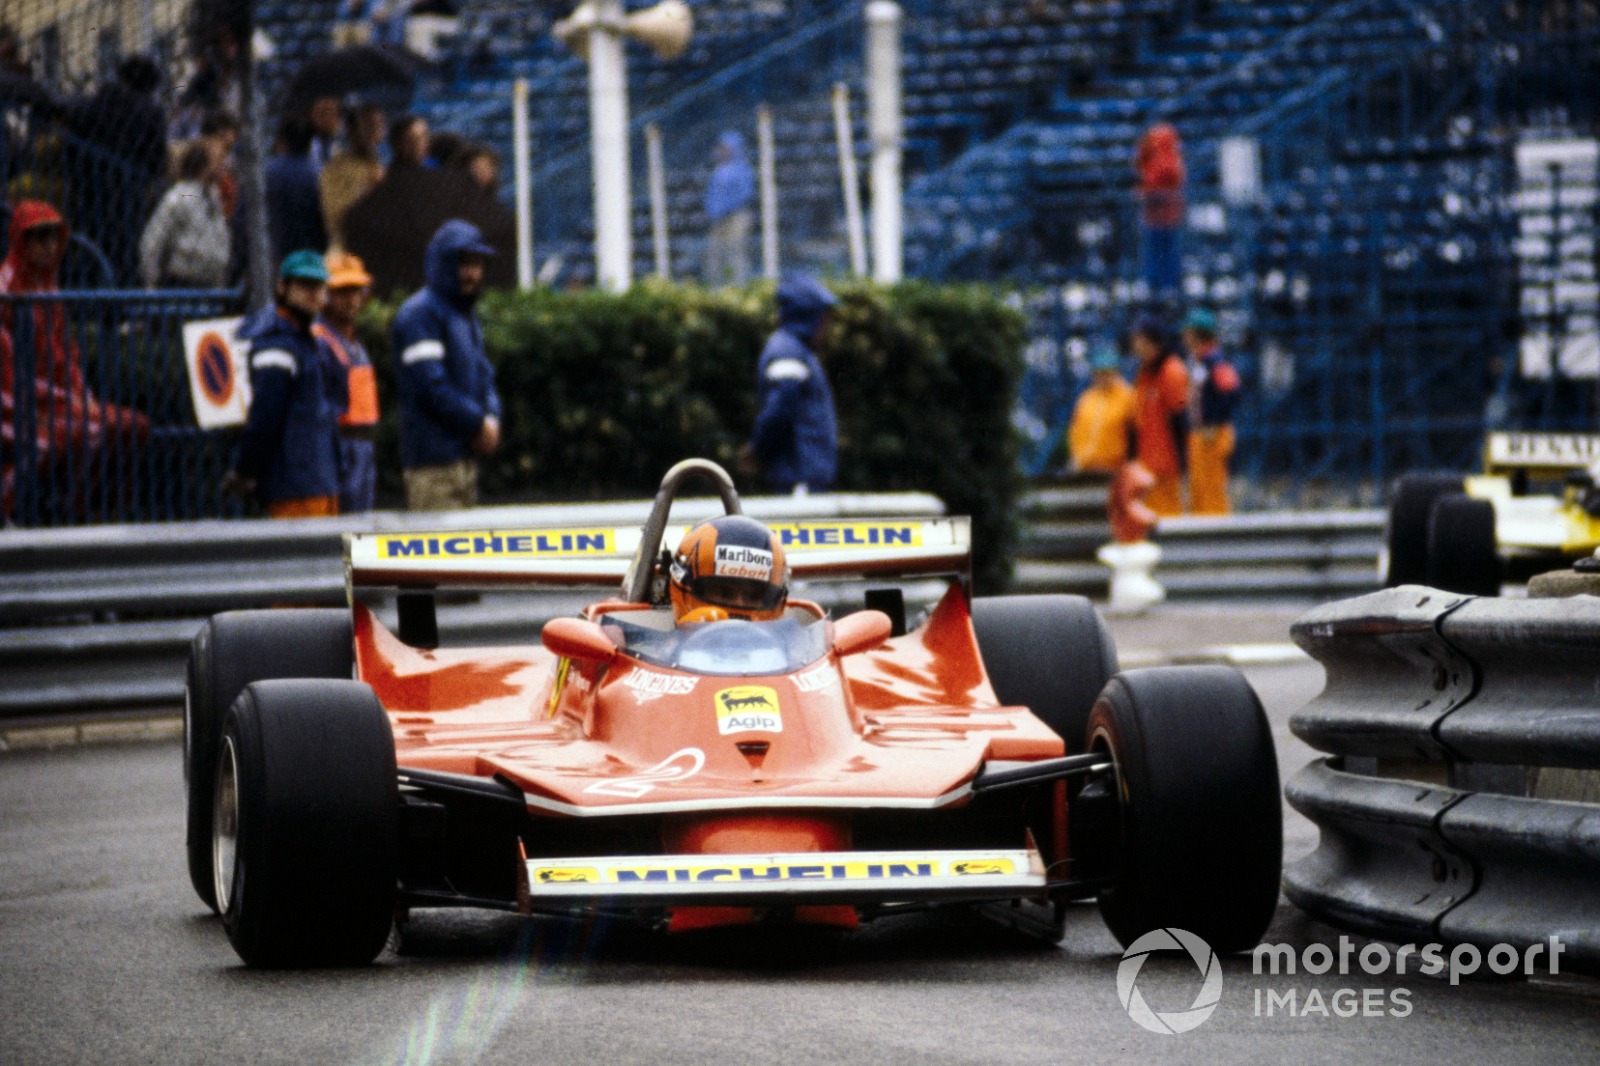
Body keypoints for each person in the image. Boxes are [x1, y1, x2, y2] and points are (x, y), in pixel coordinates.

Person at [0, 202, 149, 518]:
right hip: (22, 405)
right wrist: (66, 400)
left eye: (54, 237)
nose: (50, 246)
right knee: (81, 434)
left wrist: (82, 397)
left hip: (61, 400)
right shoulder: (6, 290)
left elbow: (66, 355)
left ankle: (101, 510)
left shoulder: (48, 286)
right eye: (39, 238)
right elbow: (11, 368)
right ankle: (31, 506)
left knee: (132, 427)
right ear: (20, 241)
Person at [391, 219, 501, 510]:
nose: (472, 273)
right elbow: (431, 388)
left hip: (466, 462)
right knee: (440, 555)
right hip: (433, 467)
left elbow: (484, 374)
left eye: (478, 264)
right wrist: (478, 424)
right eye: (463, 263)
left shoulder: (464, 315)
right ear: (443, 263)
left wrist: (492, 418)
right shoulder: (419, 314)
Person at [223, 251, 341, 518]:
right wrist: (246, 469)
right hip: (294, 486)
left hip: (318, 481)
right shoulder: (277, 344)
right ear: (282, 288)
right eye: (304, 285)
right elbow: (265, 416)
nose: (314, 294)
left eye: (319, 286)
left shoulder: (307, 340)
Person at [739, 272, 838, 495]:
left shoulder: (796, 350)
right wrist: (759, 451)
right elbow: (780, 409)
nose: (827, 327)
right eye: (824, 319)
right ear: (807, 317)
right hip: (798, 477)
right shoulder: (787, 352)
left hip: (802, 475)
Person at [315, 252, 381, 513]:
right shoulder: (321, 340)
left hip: (362, 445)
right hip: (339, 447)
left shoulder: (355, 343)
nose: (351, 299)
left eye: (356, 290)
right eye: (342, 291)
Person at [138, 139, 232, 289]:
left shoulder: (213, 196)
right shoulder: (182, 194)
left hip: (211, 284)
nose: (224, 164)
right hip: (183, 283)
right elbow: (152, 241)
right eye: (219, 158)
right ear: (203, 164)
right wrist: (151, 283)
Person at [668, 514, 790, 623]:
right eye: (724, 593)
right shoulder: (653, 643)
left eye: (753, 596)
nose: (739, 604)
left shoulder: (798, 636)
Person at [1182, 307, 1241, 516]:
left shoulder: (1214, 361)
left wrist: (1214, 422)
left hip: (1212, 435)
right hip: (1200, 434)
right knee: (1199, 492)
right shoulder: (1199, 362)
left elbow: (1231, 392)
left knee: (1211, 492)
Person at [1129, 313, 1189, 517]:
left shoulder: (1171, 371)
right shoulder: (1144, 373)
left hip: (1166, 466)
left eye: (1138, 339)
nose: (1134, 345)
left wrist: (1182, 463)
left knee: (1168, 516)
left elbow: (1181, 419)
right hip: (1148, 464)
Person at [319, 103, 386, 252]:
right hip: (349, 250)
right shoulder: (336, 169)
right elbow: (335, 216)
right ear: (352, 131)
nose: (376, 131)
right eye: (369, 126)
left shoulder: (379, 164)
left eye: (379, 124)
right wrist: (369, 189)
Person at [265, 117, 327, 262]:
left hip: (273, 257)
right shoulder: (320, 176)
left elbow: (243, 218)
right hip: (311, 259)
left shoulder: (266, 173)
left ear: (281, 141)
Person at [1134, 122, 1185, 295]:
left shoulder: (1168, 160)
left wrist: (1145, 192)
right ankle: (1155, 284)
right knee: (1154, 251)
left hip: (1167, 217)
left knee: (1166, 253)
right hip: (1154, 217)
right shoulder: (1154, 157)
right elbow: (1140, 165)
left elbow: (1163, 178)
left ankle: (1166, 286)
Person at [1068, 344, 1136, 475]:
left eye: (1107, 373)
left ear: (1116, 372)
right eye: (1098, 373)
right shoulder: (1086, 399)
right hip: (1085, 468)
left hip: (1115, 469)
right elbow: (1075, 432)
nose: (1102, 377)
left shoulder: (1128, 397)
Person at [702, 131, 755, 287]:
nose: (722, 151)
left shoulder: (742, 169)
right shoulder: (718, 170)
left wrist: (726, 208)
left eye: (725, 148)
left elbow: (745, 193)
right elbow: (710, 194)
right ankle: (715, 286)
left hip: (736, 216)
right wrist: (712, 210)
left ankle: (739, 285)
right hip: (718, 218)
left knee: (736, 251)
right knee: (714, 253)